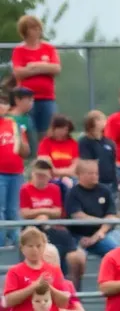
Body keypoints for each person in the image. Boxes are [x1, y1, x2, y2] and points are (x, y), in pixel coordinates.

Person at [19, 159, 83, 279]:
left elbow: (57, 212)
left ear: (49, 176)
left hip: (53, 228)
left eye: (43, 176)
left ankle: (72, 291)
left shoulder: (54, 189)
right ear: (33, 174)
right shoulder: (25, 189)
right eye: (38, 175)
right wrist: (45, 213)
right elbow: (25, 213)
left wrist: (41, 214)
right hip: (33, 230)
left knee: (76, 256)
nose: (40, 179)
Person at [10, 14, 60, 143]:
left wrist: (34, 66)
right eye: (33, 28)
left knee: (47, 132)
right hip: (25, 99)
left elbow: (56, 69)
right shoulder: (19, 50)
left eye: (38, 27)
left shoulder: (49, 48)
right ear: (25, 31)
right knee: (28, 132)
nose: (37, 30)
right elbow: (18, 73)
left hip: (47, 98)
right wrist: (44, 68)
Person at [65, 159, 120, 259]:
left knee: (116, 252)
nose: (95, 175)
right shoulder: (73, 193)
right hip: (78, 236)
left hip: (101, 234)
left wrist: (99, 234)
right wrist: (102, 221)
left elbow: (111, 215)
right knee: (76, 258)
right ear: (80, 174)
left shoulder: (105, 190)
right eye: (91, 173)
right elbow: (78, 215)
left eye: (96, 173)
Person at [0, 101, 28, 247]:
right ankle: (2, 245)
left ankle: (17, 244)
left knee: (13, 210)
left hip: (16, 173)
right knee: (0, 210)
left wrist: (21, 139)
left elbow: (26, 152)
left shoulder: (13, 124)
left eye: (3, 103)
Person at [78, 110, 118, 191]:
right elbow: (87, 163)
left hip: (111, 184)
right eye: (99, 119)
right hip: (94, 185)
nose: (104, 121)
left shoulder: (109, 143)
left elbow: (113, 163)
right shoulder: (85, 142)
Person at [37, 114, 77, 180]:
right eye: (60, 129)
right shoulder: (45, 143)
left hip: (70, 178)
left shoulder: (73, 144)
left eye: (66, 130)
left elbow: (74, 168)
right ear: (53, 129)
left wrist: (56, 171)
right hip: (50, 179)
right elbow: (44, 164)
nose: (63, 132)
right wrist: (55, 172)